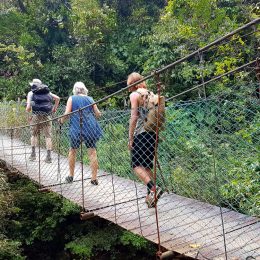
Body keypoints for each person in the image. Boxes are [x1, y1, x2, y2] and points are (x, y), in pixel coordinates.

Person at [127, 72, 163, 208]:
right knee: (147, 166)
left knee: (136, 165)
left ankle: (153, 188)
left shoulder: (135, 95)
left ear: (131, 84)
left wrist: (130, 138)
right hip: (153, 134)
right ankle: (150, 198)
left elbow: (134, 118)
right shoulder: (150, 93)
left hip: (141, 134)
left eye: (128, 85)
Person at [59, 82, 102, 185]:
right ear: (84, 89)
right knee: (92, 151)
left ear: (75, 90)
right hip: (90, 127)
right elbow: (98, 114)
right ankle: (94, 178)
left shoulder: (72, 98)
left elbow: (67, 113)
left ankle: (71, 176)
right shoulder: (90, 99)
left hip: (76, 127)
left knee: (73, 151)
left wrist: (61, 121)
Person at [26, 78, 60, 163]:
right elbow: (57, 98)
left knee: (34, 135)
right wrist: (54, 108)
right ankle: (48, 157)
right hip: (47, 116)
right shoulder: (47, 92)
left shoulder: (31, 93)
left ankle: (33, 155)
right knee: (48, 136)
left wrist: (29, 115)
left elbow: (28, 108)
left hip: (36, 115)